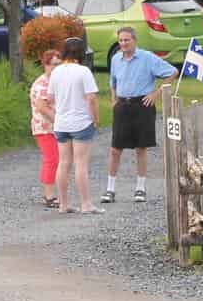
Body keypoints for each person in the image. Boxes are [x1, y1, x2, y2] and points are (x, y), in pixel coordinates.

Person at [104, 25, 178, 204]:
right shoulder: (115, 59)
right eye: (121, 40)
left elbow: (172, 72)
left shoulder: (147, 58)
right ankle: (110, 189)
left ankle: (140, 188)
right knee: (115, 149)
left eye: (127, 40)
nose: (123, 43)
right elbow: (113, 82)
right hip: (122, 105)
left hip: (142, 105)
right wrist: (114, 100)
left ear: (134, 41)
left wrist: (156, 93)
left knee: (141, 148)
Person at [48, 36, 101, 213]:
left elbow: (50, 98)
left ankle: (63, 204)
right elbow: (91, 98)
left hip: (61, 123)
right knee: (81, 164)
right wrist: (95, 118)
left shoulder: (56, 72)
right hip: (80, 122)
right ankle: (86, 204)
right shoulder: (83, 71)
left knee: (63, 163)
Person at [28, 46, 62, 208]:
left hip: (55, 127)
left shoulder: (55, 82)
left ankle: (54, 192)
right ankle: (49, 195)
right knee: (52, 159)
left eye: (58, 64)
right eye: (52, 64)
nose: (55, 68)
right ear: (45, 65)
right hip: (44, 128)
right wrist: (59, 121)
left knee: (59, 159)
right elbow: (42, 108)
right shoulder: (42, 84)